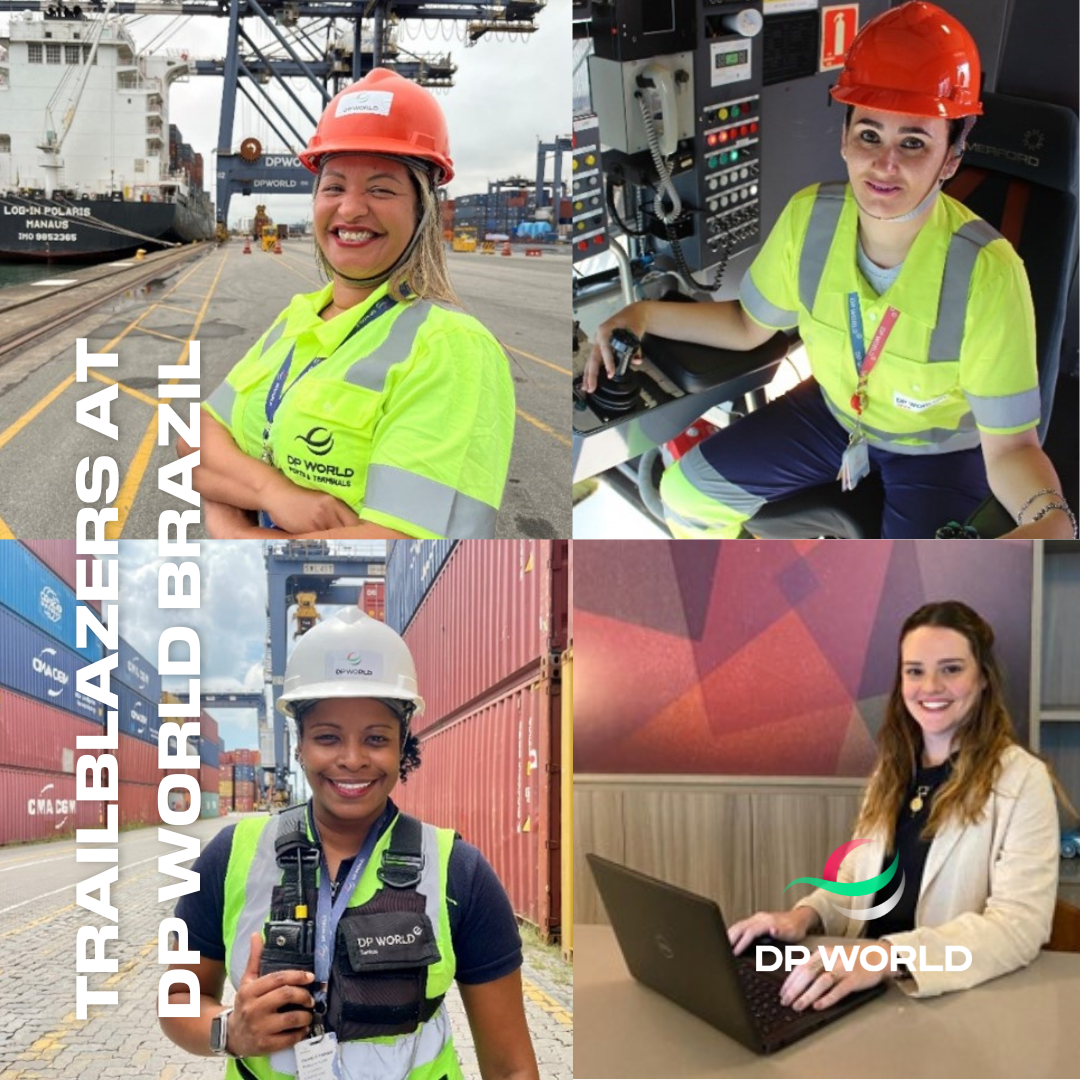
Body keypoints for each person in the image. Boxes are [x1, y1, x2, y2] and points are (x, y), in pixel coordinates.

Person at [585, 1, 1077, 540]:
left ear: (952, 158)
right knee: (682, 494)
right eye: (870, 134)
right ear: (844, 139)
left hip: (938, 449)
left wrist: (1050, 516)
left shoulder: (990, 273)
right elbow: (748, 326)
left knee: (914, 588)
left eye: (914, 142)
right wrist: (639, 313)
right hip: (834, 415)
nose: (884, 164)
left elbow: (1011, 447)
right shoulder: (809, 217)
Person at [159, 609, 540, 1080]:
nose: (353, 760)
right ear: (299, 744)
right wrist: (228, 1032)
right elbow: (178, 998)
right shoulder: (229, 854)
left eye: (376, 738)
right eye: (328, 737)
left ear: (403, 745)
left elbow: (511, 1069)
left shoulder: (460, 871)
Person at [180, 68, 515, 540]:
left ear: (423, 210)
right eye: (334, 187)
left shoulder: (450, 347)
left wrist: (232, 532)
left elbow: (400, 545)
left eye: (380, 189)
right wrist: (274, 493)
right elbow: (195, 439)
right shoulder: (301, 316)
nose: (351, 208)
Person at [726, 600, 1063, 1006]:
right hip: (852, 985)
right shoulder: (890, 770)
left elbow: (1020, 927)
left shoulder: (1023, 780)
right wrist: (803, 917)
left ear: (983, 678)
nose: (931, 687)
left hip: (944, 1000)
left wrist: (890, 955)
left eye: (952, 669)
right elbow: (854, 883)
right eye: (915, 671)